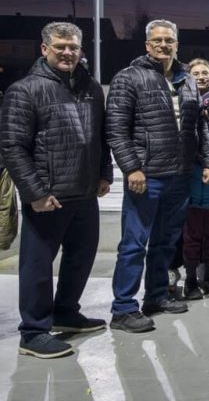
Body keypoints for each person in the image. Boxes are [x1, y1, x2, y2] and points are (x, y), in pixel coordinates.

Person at [0, 22, 112, 359]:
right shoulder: (25, 90)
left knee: (80, 258)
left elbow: (100, 136)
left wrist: (104, 173)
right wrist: (34, 193)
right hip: (48, 196)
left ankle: (66, 312)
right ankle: (33, 332)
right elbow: (12, 147)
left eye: (73, 47)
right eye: (60, 46)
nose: (68, 53)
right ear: (44, 49)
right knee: (37, 265)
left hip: (84, 192)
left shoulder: (90, 88)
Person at [106, 19, 208, 332]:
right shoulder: (129, 78)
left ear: (177, 43)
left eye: (169, 40)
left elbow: (196, 126)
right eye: (158, 40)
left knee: (165, 241)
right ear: (148, 45)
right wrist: (131, 168)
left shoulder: (187, 79)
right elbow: (116, 129)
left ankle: (156, 295)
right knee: (134, 244)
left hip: (179, 174)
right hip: (146, 176)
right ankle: (123, 308)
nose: (164, 45)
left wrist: (205, 160)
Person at [180, 58, 209, 300]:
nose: (201, 76)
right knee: (192, 233)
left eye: (205, 72)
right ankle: (189, 278)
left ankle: (208, 274)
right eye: (195, 72)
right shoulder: (186, 101)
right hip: (191, 174)